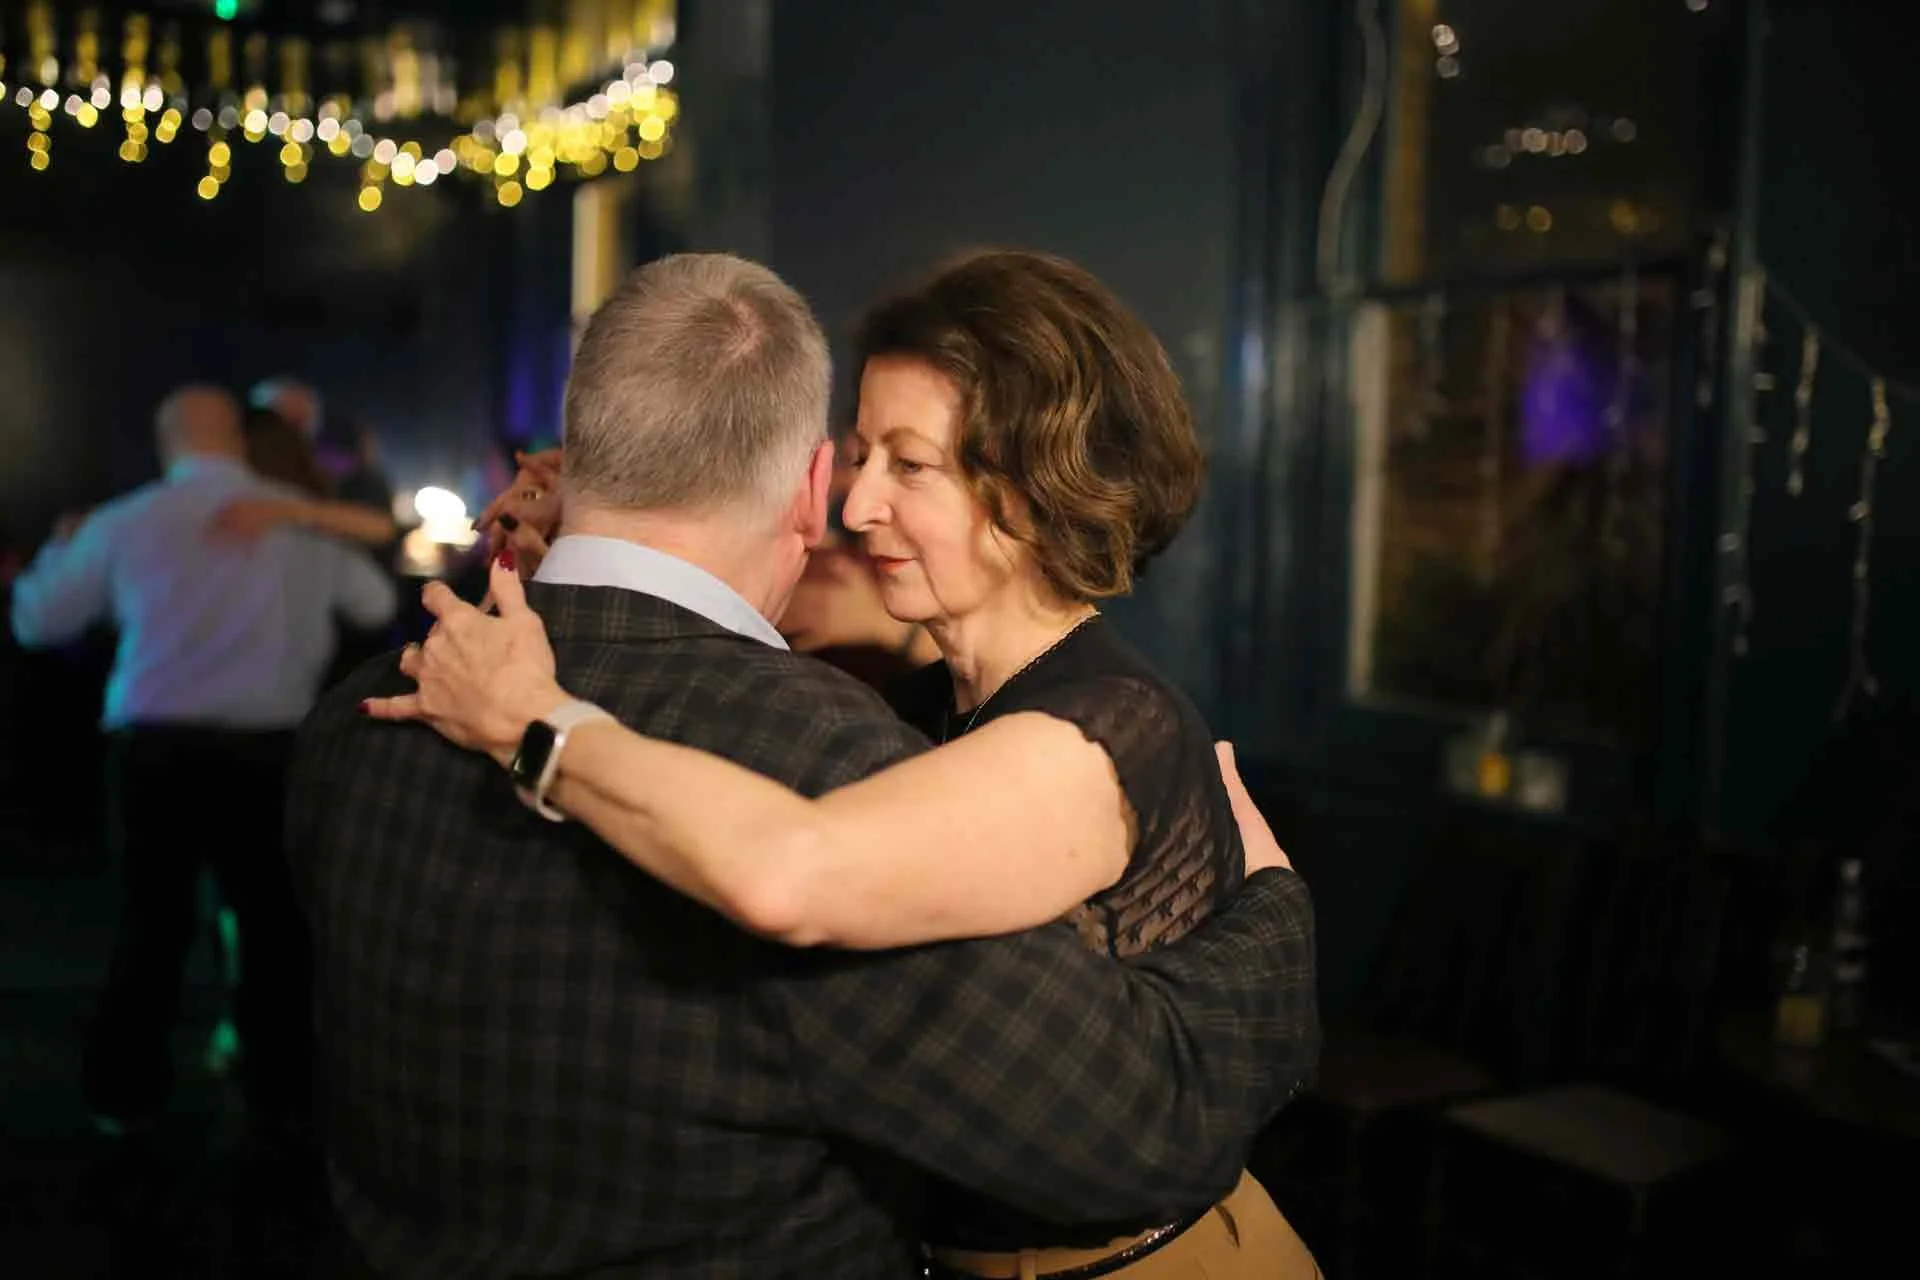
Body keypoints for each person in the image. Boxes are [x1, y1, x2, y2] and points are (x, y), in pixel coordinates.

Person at [306, 253, 1319, 1278]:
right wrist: (603, 520)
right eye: (858, 455)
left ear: (1031, 485)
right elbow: (705, 614)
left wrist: (538, 716)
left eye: (909, 465)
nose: (853, 505)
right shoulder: (912, 695)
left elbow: (794, 865)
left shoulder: (1097, 729)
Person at [9, 384, 397, 1150]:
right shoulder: (292, 520)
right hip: (269, 749)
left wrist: (63, 542)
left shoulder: (127, 522)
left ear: (167, 442)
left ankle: (125, 1096)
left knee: (149, 928)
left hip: (154, 752)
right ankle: (278, 1093)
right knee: (272, 927)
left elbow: (36, 620)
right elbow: (375, 604)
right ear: (237, 439)